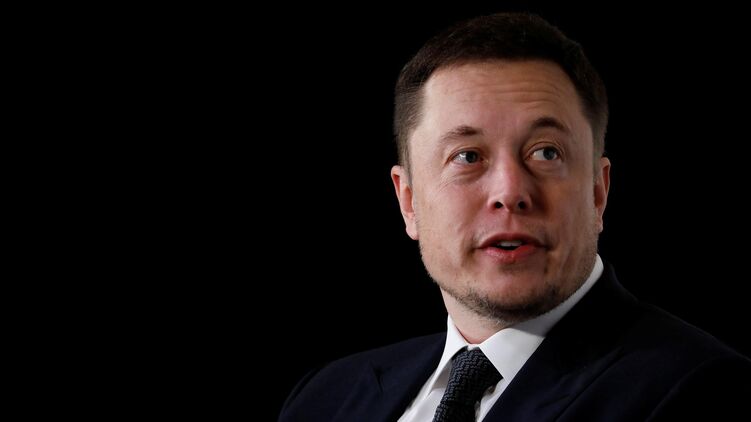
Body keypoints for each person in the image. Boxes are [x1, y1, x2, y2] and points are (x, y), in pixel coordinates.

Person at [278, 12, 751, 421]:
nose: (510, 192)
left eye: (546, 152)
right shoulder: (324, 398)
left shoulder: (702, 390)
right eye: (467, 156)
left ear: (598, 192)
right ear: (409, 201)